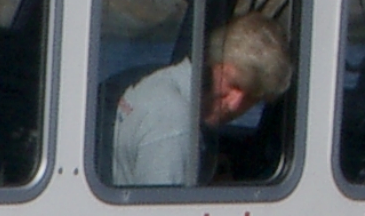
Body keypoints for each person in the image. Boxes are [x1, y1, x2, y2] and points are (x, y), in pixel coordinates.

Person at [110, 11, 294, 188]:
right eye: (234, 84)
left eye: (252, 98)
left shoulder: (159, 84)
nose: (234, 104)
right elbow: (162, 209)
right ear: (213, 61)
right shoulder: (175, 125)